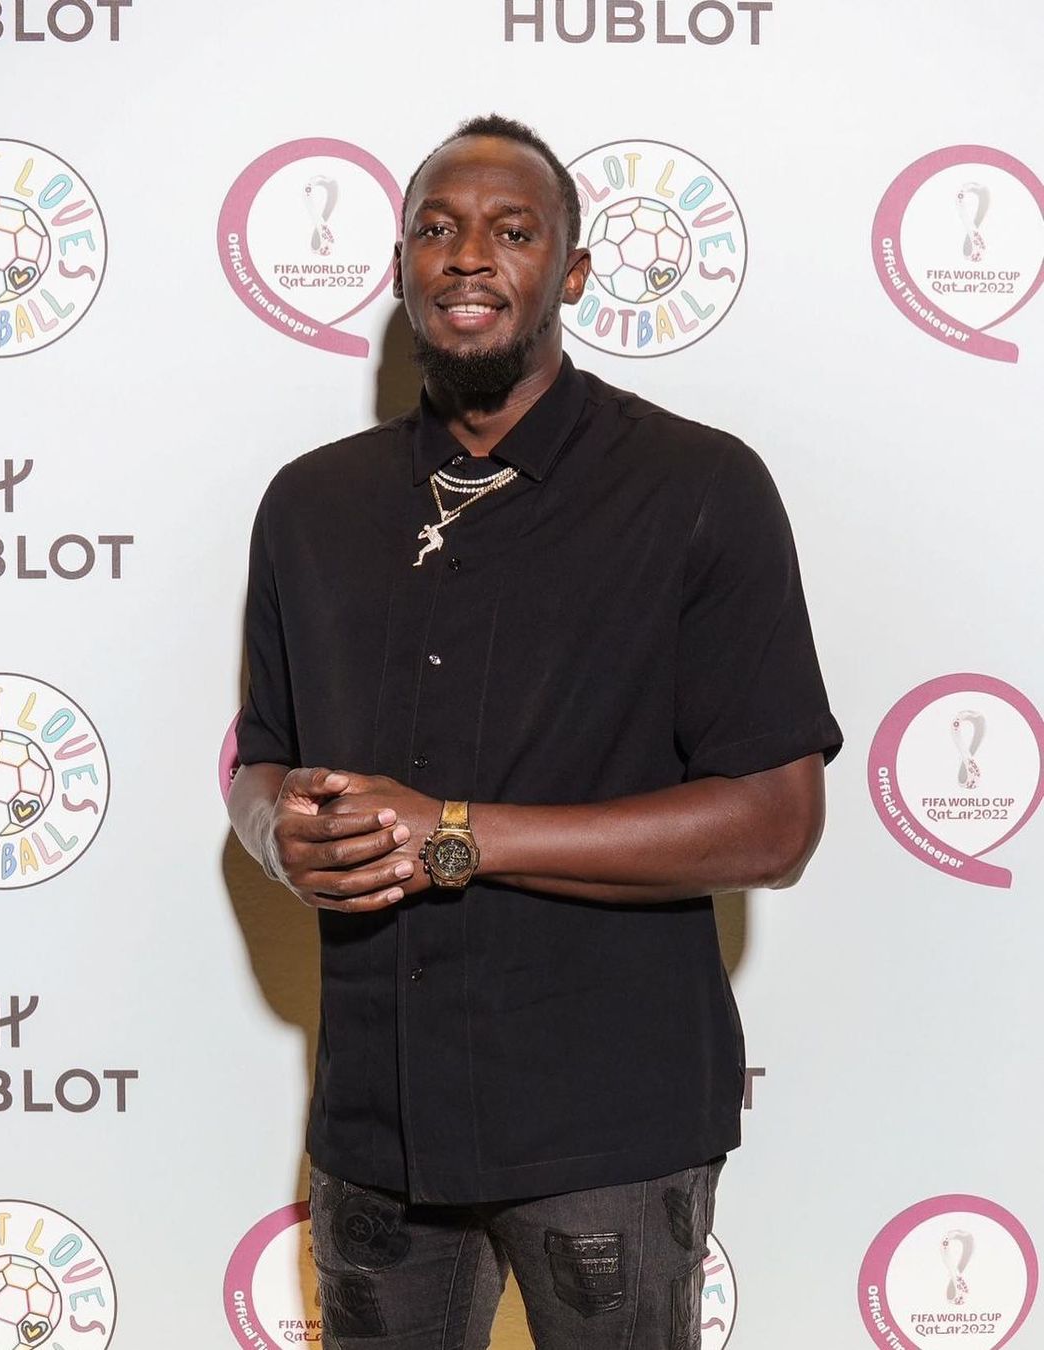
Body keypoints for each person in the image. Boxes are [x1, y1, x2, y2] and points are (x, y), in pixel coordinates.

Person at [227, 113, 842, 1350]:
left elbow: (778, 826)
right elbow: (260, 759)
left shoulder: (699, 488)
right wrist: (276, 835)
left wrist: (453, 833)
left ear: (570, 273)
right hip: (375, 1124)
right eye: (437, 229)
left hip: (607, 1126)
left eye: (513, 231)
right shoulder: (310, 504)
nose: (469, 256)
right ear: (400, 269)